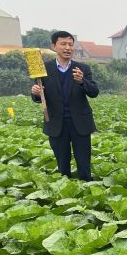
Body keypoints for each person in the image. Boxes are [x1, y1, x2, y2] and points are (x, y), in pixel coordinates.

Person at [31, 30, 99, 181]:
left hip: (80, 124)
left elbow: (94, 92)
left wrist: (82, 81)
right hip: (57, 124)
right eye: (63, 44)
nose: (68, 47)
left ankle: (87, 192)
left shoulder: (82, 69)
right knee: (62, 166)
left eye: (70, 44)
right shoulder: (43, 69)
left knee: (84, 165)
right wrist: (35, 93)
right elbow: (38, 96)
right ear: (54, 46)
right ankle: (65, 193)